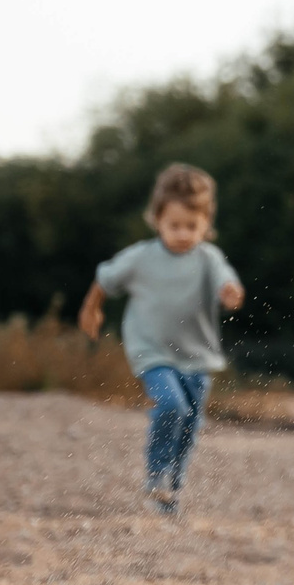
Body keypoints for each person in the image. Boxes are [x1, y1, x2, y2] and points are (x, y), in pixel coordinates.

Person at [79, 163, 245, 515]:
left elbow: (226, 282)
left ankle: (172, 490)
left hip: (197, 356)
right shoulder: (140, 258)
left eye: (192, 226)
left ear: (206, 224)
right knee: (172, 406)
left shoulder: (208, 258)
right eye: (174, 225)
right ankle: (155, 474)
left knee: (190, 424)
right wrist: (91, 309)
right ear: (156, 220)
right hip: (151, 351)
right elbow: (104, 280)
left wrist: (231, 293)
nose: (183, 233)